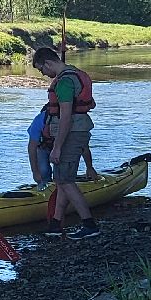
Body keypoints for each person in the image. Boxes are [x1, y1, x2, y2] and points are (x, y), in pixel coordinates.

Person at [32, 46, 100, 239]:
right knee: (62, 180)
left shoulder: (63, 83)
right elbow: (91, 103)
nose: (43, 74)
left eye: (41, 69)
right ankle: (55, 224)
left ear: (48, 63)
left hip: (71, 134)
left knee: (66, 181)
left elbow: (66, 117)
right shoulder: (78, 74)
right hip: (80, 131)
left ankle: (89, 224)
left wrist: (57, 147)